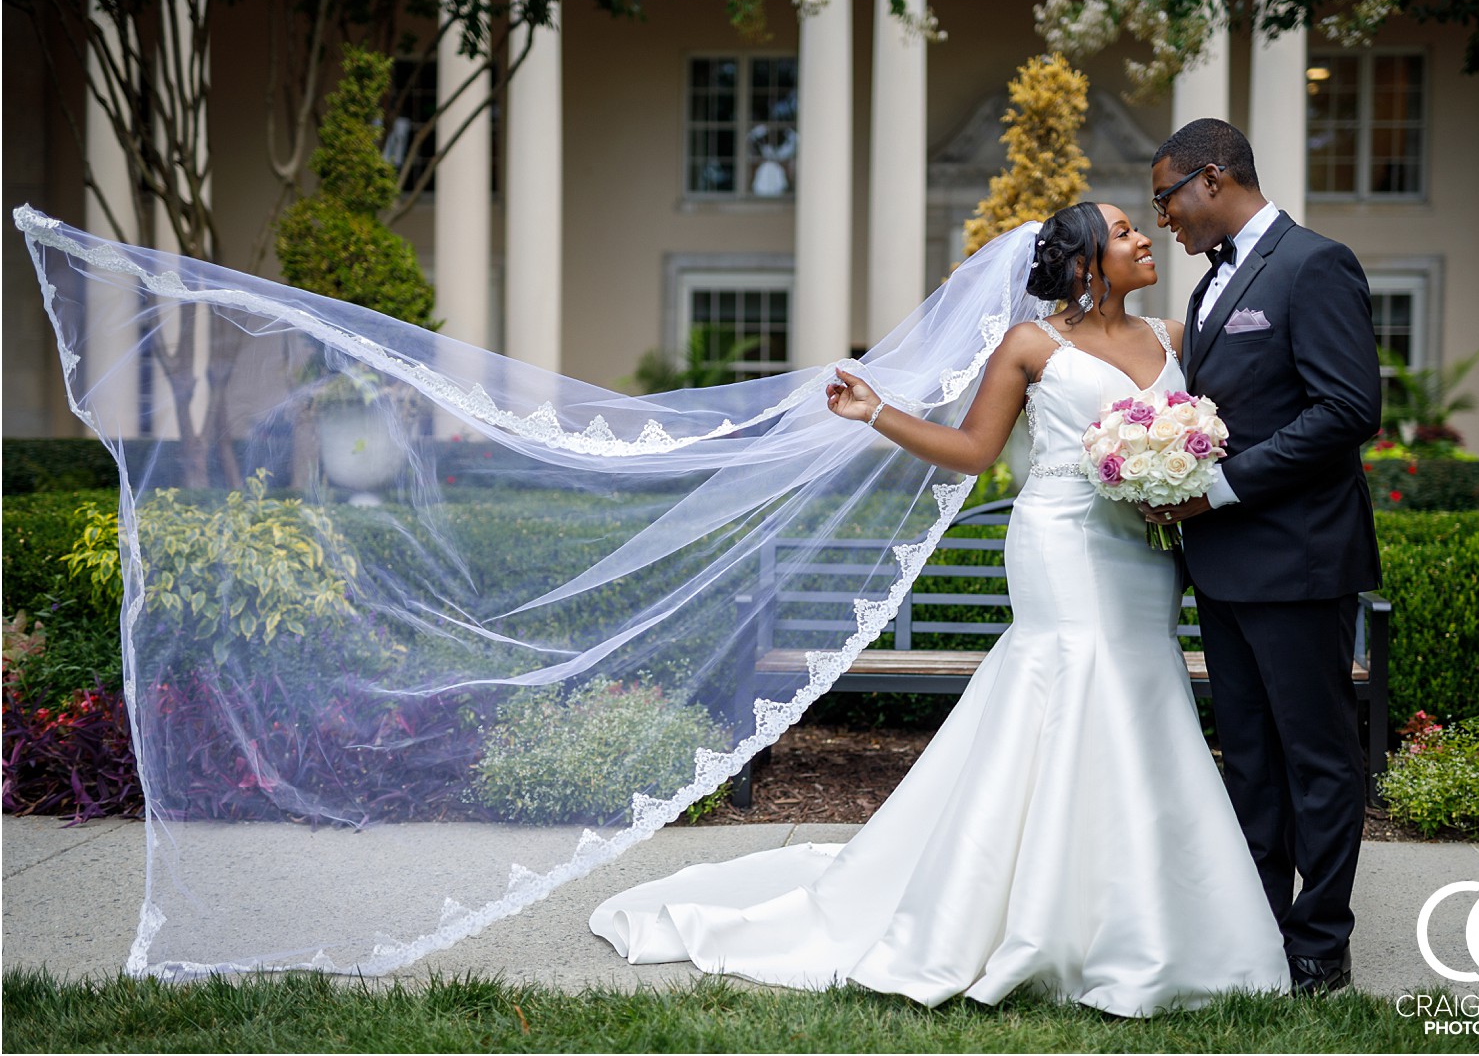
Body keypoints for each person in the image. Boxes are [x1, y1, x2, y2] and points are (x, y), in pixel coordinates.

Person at [588, 202, 1291, 1015]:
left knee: (1140, 699)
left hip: (1144, 552)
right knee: (1072, 686)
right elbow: (975, 451)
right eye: (1126, 230)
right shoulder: (1031, 346)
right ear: (1086, 264)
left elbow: (1206, 430)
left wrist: (1179, 461)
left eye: (1142, 225)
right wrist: (877, 412)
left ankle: (1143, 913)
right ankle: (1039, 922)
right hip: (1061, 544)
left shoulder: (1175, 336)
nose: (1143, 239)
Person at [1141, 119, 1382, 995]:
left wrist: (1222, 488)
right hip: (1224, 565)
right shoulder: (1210, 289)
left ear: (1210, 179)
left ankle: (1320, 945)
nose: (1162, 216)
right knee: (1247, 754)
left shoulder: (1314, 263)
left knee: (1316, 757)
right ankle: (1261, 930)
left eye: (1165, 197)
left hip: (1299, 559)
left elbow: (1347, 410)